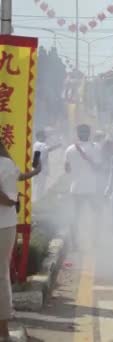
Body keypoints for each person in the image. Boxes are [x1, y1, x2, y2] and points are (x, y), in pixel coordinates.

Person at [0, 141, 40, 340]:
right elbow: (20, 176)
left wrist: (10, 200)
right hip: (5, 225)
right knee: (2, 275)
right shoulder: (7, 163)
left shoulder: (6, 164)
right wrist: (13, 201)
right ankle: (4, 331)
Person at [65, 124, 101, 249]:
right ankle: (95, 241)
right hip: (92, 188)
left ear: (77, 133)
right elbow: (99, 167)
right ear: (89, 133)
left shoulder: (70, 149)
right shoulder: (96, 147)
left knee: (75, 217)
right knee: (96, 215)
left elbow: (67, 169)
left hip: (76, 188)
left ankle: (74, 243)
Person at [32, 129, 61, 200]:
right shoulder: (41, 144)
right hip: (40, 168)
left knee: (38, 185)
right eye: (44, 136)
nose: (45, 138)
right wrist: (58, 145)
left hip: (36, 167)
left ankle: (37, 198)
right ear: (39, 137)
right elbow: (48, 149)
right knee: (40, 185)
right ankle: (39, 198)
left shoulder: (36, 144)